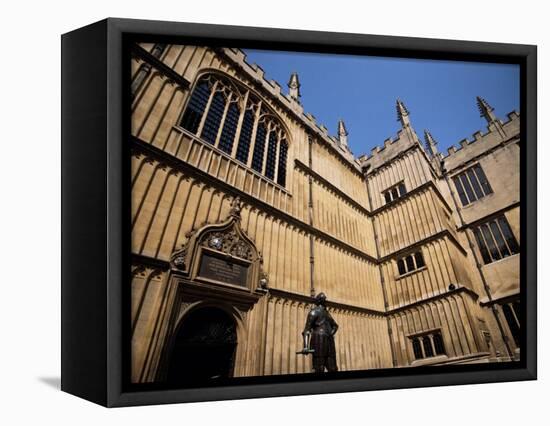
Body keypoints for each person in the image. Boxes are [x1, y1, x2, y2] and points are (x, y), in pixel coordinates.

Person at [300, 292, 339, 373]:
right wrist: (306, 346)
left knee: (332, 368)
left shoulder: (325, 313)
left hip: (326, 341)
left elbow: (335, 326)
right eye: (324, 300)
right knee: (320, 368)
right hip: (319, 341)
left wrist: (330, 334)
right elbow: (307, 330)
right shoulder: (315, 312)